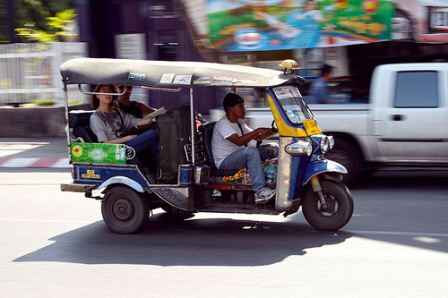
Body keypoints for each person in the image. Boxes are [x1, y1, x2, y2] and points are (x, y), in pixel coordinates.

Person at [211, 93, 277, 204]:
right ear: (230, 108)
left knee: (272, 148)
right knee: (251, 152)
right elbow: (239, 141)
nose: (244, 109)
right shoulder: (222, 124)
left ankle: (274, 181)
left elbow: (258, 136)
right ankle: (260, 191)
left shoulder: (239, 123)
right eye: (240, 106)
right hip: (225, 162)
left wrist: (274, 130)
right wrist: (256, 131)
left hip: (239, 156)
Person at [89, 84, 158, 167]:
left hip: (125, 144)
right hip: (115, 150)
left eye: (110, 91)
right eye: (104, 91)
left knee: (156, 132)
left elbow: (135, 122)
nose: (108, 94)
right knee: (153, 134)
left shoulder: (117, 112)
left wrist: (153, 117)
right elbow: (104, 143)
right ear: (97, 95)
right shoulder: (96, 117)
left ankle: (158, 169)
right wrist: (126, 138)